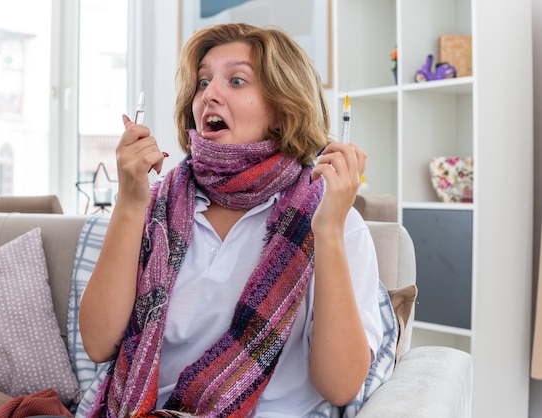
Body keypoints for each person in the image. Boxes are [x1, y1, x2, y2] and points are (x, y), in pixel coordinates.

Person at [79, 23, 389, 417]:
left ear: (282, 111)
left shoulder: (334, 221)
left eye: (236, 80)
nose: (209, 93)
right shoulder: (154, 206)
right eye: (203, 81)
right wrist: (129, 201)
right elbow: (98, 343)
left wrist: (327, 232)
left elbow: (341, 385)